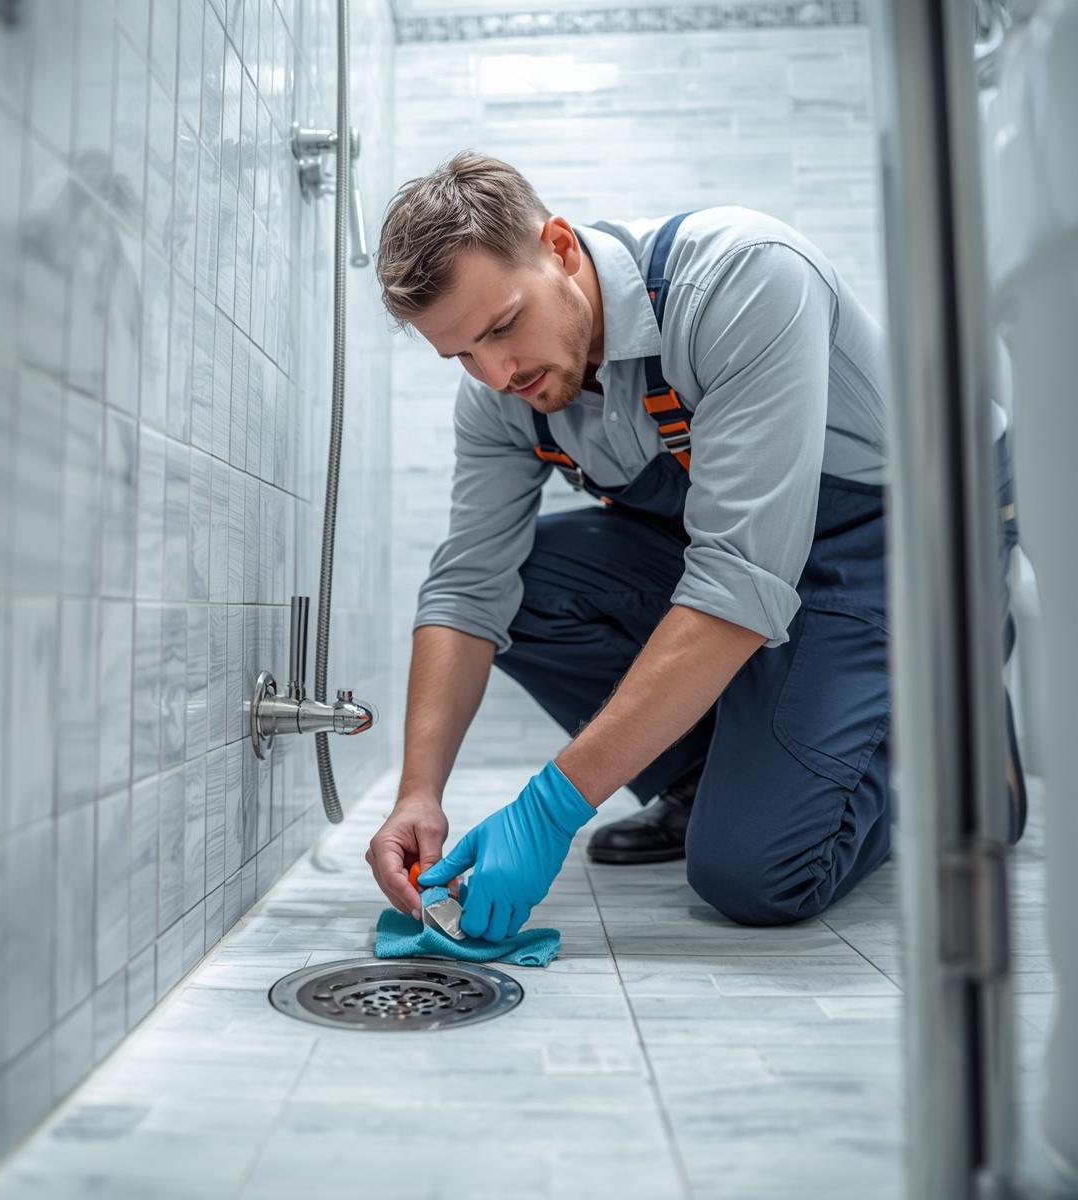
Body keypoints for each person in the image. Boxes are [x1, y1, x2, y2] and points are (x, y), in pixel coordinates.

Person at [365, 150, 1023, 939]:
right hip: (749, 550)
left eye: (503, 326)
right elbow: (468, 590)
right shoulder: (507, 396)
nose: (496, 371)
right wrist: (417, 793)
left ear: (561, 248)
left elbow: (735, 585)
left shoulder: (744, 279)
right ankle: (711, 781)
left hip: (904, 532)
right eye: (461, 355)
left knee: (756, 873)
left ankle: (955, 733)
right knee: (525, 585)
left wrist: (551, 806)